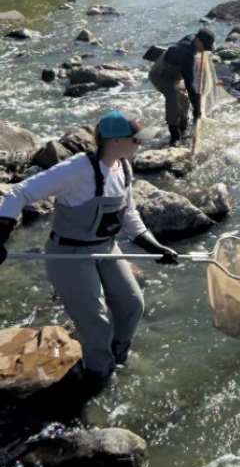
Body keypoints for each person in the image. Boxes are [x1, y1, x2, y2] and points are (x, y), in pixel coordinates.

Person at [0, 112, 179, 393]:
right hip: (68, 255)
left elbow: (129, 215)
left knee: (132, 305)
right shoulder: (76, 169)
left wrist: (154, 247)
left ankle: (116, 357)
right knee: (96, 325)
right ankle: (99, 379)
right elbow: (19, 192)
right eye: (136, 140)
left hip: (106, 248)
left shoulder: (124, 168)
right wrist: (1, 237)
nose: (141, 144)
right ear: (115, 140)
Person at [149, 28, 216, 146]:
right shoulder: (185, 54)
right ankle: (174, 135)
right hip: (161, 74)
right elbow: (190, 83)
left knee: (184, 99)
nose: (204, 50)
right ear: (198, 40)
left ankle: (183, 128)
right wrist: (197, 109)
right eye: (204, 47)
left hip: (176, 75)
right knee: (173, 97)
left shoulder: (193, 39)